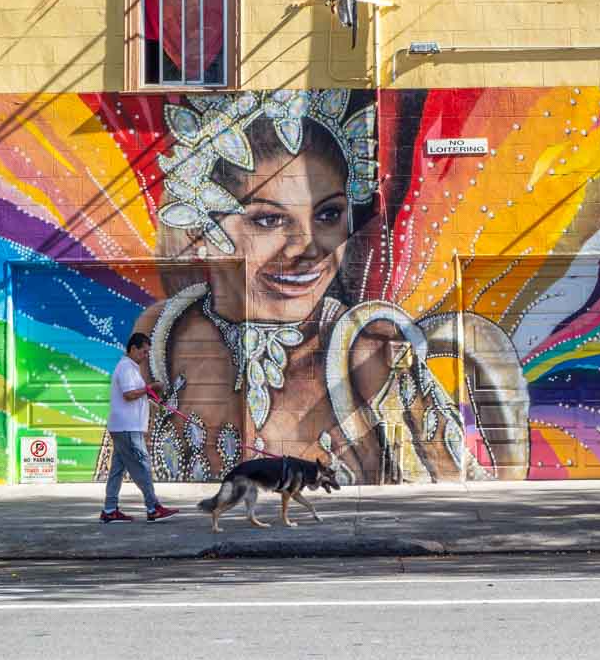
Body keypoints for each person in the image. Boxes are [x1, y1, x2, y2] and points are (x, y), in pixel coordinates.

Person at [134, 89, 530, 485]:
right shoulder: (166, 331)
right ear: (203, 226)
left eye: (328, 214)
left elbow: (455, 491)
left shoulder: (365, 346)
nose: (310, 248)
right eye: (270, 220)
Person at [100, 332, 179, 523]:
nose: (146, 356)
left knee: (117, 470)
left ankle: (110, 510)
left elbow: (133, 395)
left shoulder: (130, 368)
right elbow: (128, 394)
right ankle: (153, 507)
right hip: (128, 428)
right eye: (144, 352)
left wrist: (149, 398)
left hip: (124, 427)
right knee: (142, 466)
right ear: (133, 349)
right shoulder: (127, 368)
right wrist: (151, 388)